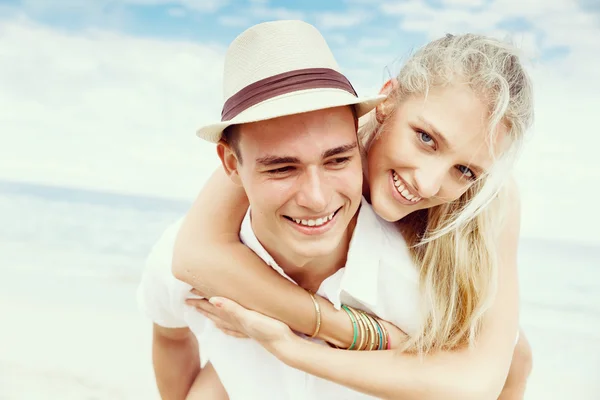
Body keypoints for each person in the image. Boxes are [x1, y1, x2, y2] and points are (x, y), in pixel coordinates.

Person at [173, 27, 535, 400]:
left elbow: (477, 383)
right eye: (426, 138)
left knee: (516, 353)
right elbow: (195, 256)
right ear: (387, 100)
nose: (427, 185)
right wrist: (352, 329)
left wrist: (299, 347)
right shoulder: (318, 128)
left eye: (465, 171)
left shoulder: (491, 200)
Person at [137, 19, 395, 400]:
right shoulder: (177, 263)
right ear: (230, 164)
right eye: (282, 168)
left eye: (337, 160)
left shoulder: (419, 269)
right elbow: (171, 337)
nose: (317, 198)